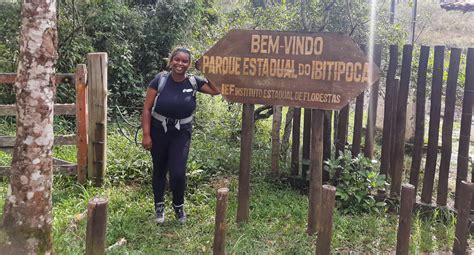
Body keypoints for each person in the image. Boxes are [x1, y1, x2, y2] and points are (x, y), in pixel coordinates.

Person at [141, 47, 220, 224]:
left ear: (189, 64)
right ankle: (159, 207)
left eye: (185, 61)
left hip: (181, 133)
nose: (180, 64)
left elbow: (216, 90)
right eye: (177, 60)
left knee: (178, 172)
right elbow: (147, 108)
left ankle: (178, 207)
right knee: (159, 169)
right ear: (171, 60)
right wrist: (146, 134)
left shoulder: (194, 82)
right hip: (158, 130)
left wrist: (205, 69)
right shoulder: (159, 81)